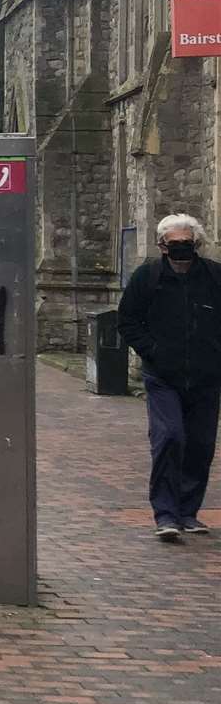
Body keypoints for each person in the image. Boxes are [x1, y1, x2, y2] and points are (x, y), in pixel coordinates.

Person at [117, 213, 221, 541]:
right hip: (163, 377)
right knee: (170, 436)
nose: (180, 249)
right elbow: (128, 320)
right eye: (173, 244)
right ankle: (165, 514)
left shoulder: (214, 277)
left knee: (200, 445)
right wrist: (153, 351)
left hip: (206, 377)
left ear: (197, 244)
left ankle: (187, 512)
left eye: (186, 244)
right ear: (162, 245)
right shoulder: (147, 278)